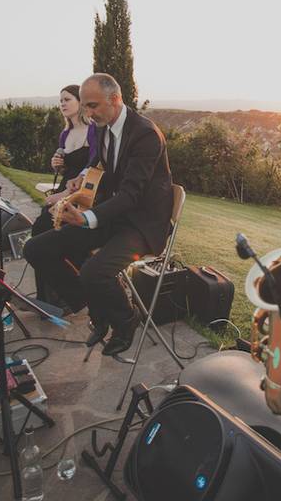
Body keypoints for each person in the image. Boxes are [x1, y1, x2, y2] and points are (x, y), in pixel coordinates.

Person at [23, 73, 173, 356]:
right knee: (37, 248)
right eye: (86, 106)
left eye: (92, 106)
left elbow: (132, 195)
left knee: (94, 272)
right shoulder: (104, 125)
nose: (87, 113)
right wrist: (82, 179)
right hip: (114, 216)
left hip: (142, 224)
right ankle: (98, 309)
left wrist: (86, 218)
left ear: (115, 99)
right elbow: (100, 164)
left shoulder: (145, 135)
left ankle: (126, 319)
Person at [29, 84, 99, 237]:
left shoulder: (93, 129)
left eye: (67, 99)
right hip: (65, 186)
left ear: (80, 101)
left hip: (83, 191)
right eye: (60, 101)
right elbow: (66, 170)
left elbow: (95, 164)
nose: (62, 104)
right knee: (42, 225)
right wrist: (57, 166)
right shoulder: (65, 134)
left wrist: (65, 194)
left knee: (46, 227)